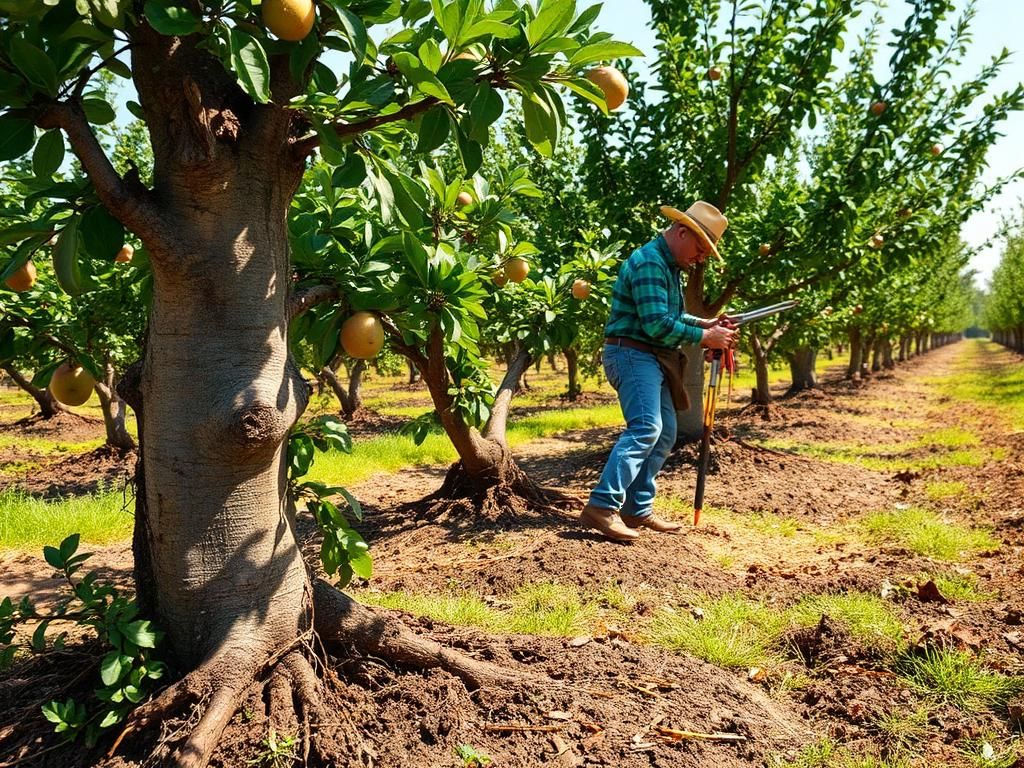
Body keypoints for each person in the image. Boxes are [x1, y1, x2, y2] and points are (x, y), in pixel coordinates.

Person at [581, 201, 737, 542]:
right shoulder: (651, 263)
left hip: (648, 357)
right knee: (646, 427)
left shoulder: (668, 266)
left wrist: (704, 323)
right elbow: (655, 325)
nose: (701, 259)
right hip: (632, 354)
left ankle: (636, 509)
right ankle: (601, 506)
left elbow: (672, 316)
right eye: (700, 250)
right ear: (682, 232)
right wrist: (707, 337)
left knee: (665, 432)